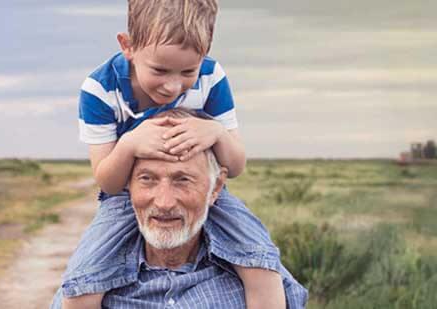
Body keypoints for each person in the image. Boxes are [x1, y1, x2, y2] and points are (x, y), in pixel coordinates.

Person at [59, 0, 300, 307]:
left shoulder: (212, 77)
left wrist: (216, 133)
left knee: (259, 258)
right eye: (159, 70)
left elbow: (236, 164)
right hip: (123, 195)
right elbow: (107, 180)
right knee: (86, 275)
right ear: (128, 46)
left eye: (188, 71)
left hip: (205, 186)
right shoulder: (101, 89)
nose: (173, 86)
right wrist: (130, 144)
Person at [51, 109, 307, 308]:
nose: (164, 202)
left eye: (182, 180)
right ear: (127, 185)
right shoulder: (87, 280)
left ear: (216, 187)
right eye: (147, 179)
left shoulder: (259, 279)